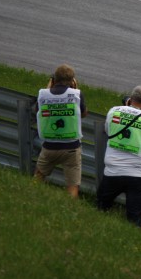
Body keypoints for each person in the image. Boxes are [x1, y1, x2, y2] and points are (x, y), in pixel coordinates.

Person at [97, 84, 141, 226]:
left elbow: (108, 131)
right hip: (138, 175)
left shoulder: (114, 111)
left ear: (131, 99)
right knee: (134, 219)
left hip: (113, 171)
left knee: (100, 208)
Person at [33, 64, 88, 198]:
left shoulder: (43, 94)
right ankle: (70, 208)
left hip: (49, 146)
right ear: (72, 81)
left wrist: (48, 88)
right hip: (71, 148)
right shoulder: (77, 94)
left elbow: (36, 111)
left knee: (38, 177)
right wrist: (75, 90)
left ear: (54, 79)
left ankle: (31, 197)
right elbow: (84, 113)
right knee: (73, 185)